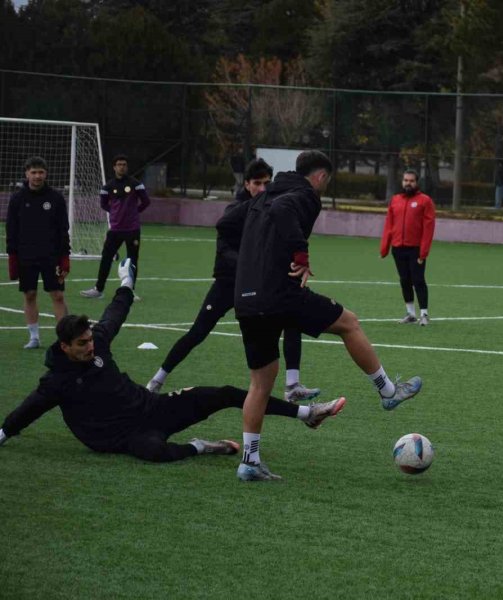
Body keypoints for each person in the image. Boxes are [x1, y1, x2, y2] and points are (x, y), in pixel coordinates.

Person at [0, 259, 345, 467]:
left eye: (90, 340)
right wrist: (3, 432)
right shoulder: (56, 381)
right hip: (122, 438)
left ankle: (306, 413)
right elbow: (30, 409)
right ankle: (201, 447)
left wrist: (126, 283)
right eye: (82, 344)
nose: (90, 346)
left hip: (154, 408)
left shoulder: (98, 342)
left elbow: (115, 314)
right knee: (155, 453)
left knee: (224, 393)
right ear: (64, 347)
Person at [229, 150, 423, 482]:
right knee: (349, 323)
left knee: (260, 383)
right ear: (320, 177)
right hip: (279, 294)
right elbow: (283, 211)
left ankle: (249, 461)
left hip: (246, 298)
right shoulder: (305, 194)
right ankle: (388, 392)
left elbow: (227, 222)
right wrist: (301, 254)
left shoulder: (261, 196)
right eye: (326, 180)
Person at [145, 159, 320, 403]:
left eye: (266, 183)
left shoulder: (271, 205)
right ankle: (157, 380)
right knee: (198, 331)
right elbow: (224, 248)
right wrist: (251, 266)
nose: (262, 188)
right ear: (246, 184)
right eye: (257, 183)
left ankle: (292, 385)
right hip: (230, 282)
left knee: (292, 318)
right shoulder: (237, 210)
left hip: (260, 284)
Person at [5, 156, 70, 349]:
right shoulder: (17, 199)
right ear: (27, 174)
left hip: (52, 256)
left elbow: (63, 229)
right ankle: (34, 337)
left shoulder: (56, 198)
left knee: (57, 295)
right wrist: (12, 256)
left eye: (41, 172)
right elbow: (11, 229)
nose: (37, 176)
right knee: (30, 294)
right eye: (33, 172)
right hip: (26, 256)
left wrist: (65, 257)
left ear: (46, 174)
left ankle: (64, 339)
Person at [81, 155, 150, 299]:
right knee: (106, 258)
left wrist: (134, 212)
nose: (122, 167)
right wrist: (114, 213)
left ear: (127, 167)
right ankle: (98, 289)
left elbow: (146, 201)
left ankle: (130, 291)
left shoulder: (135, 184)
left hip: (132, 230)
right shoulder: (108, 187)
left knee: (132, 260)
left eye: (124, 164)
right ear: (114, 167)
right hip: (115, 230)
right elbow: (103, 204)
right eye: (119, 164)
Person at [379, 169, 436, 326]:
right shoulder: (395, 200)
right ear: (402, 182)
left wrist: (423, 252)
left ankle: (424, 314)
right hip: (398, 248)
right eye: (406, 180)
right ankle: (410, 314)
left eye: (411, 181)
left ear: (417, 182)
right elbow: (389, 225)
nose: (408, 183)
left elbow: (428, 228)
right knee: (404, 280)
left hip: (416, 249)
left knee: (418, 280)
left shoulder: (425, 201)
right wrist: (384, 248)